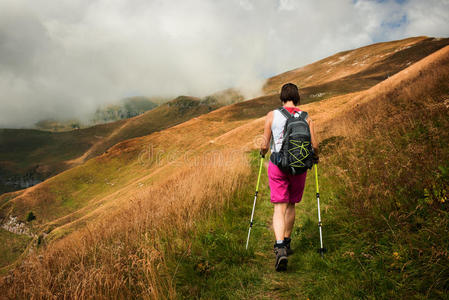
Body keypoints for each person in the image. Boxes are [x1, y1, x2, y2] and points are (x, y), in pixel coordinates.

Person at [260, 83, 319, 271]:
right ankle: (286, 242)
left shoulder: (272, 115)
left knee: (280, 206)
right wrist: (315, 157)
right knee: (291, 204)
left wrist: (263, 151)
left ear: (281, 97)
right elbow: (315, 146)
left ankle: (279, 248)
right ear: (297, 97)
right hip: (299, 166)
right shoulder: (306, 117)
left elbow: (264, 143)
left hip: (277, 165)